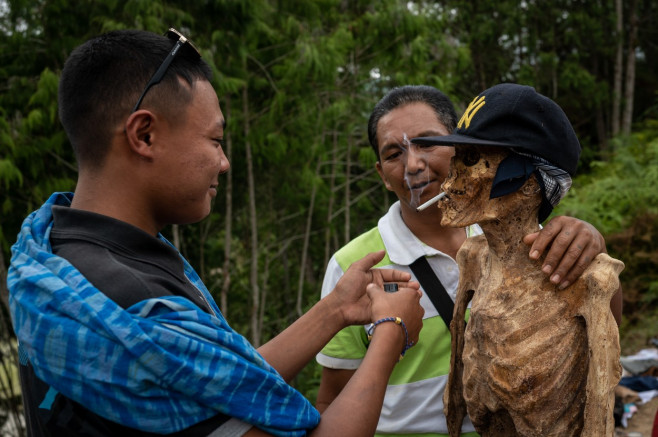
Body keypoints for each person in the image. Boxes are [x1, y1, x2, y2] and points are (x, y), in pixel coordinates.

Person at [7, 29, 425, 437]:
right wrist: (390, 332)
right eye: (215, 140)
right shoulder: (136, 304)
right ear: (144, 135)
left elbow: (214, 384)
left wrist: (336, 310)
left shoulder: (62, 250)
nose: (223, 163)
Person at [315, 85, 623, 437]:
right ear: (382, 174)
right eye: (394, 153)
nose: (414, 165)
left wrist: (592, 246)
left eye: (428, 143)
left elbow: (604, 338)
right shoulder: (353, 266)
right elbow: (331, 398)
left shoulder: (532, 243)